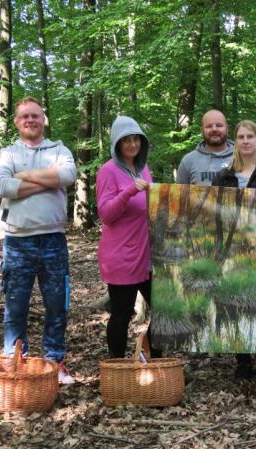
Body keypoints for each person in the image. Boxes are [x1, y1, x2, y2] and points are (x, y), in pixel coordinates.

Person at [0, 96, 77, 384]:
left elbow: (67, 174)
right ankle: (16, 364)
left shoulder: (58, 149)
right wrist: (45, 182)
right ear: (16, 122)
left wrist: (24, 177)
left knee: (57, 305)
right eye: (25, 116)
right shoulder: (6, 154)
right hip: (17, 242)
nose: (30, 120)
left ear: (43, 120)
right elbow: (0, 186)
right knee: (16, 307)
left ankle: (54, 363)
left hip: (53, 239)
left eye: (35, 116)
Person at [212, 120, 256, 380]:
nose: (245, 141)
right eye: (241, 137)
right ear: (236, 142)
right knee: (237, 301)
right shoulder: (224, 176)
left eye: (250, 136)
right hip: (233, 251)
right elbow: (215, 214)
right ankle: (242, 361)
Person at [96, 116, 158, 358]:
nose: (132, 145)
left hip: (146, 254)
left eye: (136, 139)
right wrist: (129, 191)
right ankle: (117, 365)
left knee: (164, 310)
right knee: (122, 313)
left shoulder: (143, 168)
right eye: (126, 141)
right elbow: (106, 214)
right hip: (121, 256)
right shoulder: (108, 171)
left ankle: (150, 357)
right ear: (117, 144)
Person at [176, 109, 234, 186]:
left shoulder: (242, 158)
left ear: (227, 128)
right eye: (209, 126)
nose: (214, 129)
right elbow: (179, 196)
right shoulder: (188, 161)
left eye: (219, 125)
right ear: (202, 130)